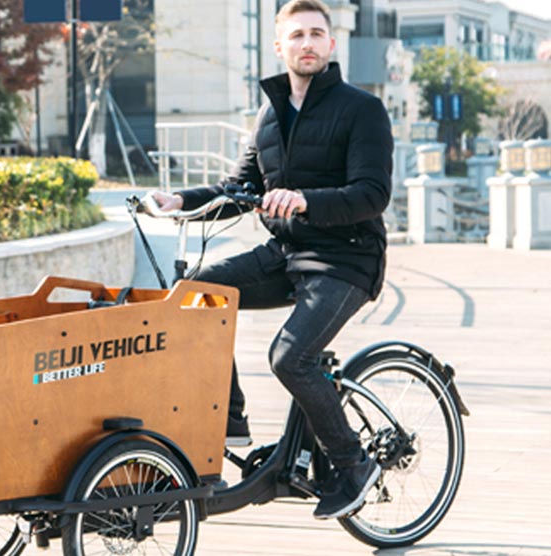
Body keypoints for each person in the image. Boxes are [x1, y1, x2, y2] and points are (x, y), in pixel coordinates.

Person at [153, 0, 393, 520]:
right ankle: (231, 418)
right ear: (279, 46)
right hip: (284, 253)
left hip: (345, 260)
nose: (307, 43)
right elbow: (238, 188)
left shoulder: (361, 109)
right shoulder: (268, 115)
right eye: (296, 35)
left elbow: (372, 193)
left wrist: (307, 199)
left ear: (330, 45)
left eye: (316, 34)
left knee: (291, 358)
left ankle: (352, 465)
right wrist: (180, 201)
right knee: (191, 298)